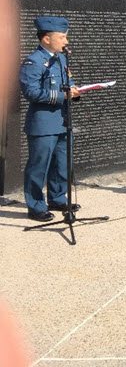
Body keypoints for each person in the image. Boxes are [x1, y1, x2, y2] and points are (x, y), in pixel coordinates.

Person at [20, 16, 82, 221]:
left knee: (61, 164)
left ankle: (57, 198)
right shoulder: (34, 61)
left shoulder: (62, 59)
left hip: (63, 122)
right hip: (43, 124)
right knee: (39, 166)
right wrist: (62, 96)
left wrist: (75, 90)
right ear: (47, 39)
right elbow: (31, 92)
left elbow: (68, 80)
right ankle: (36, 206)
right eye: (62, 37)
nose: (66, 41)